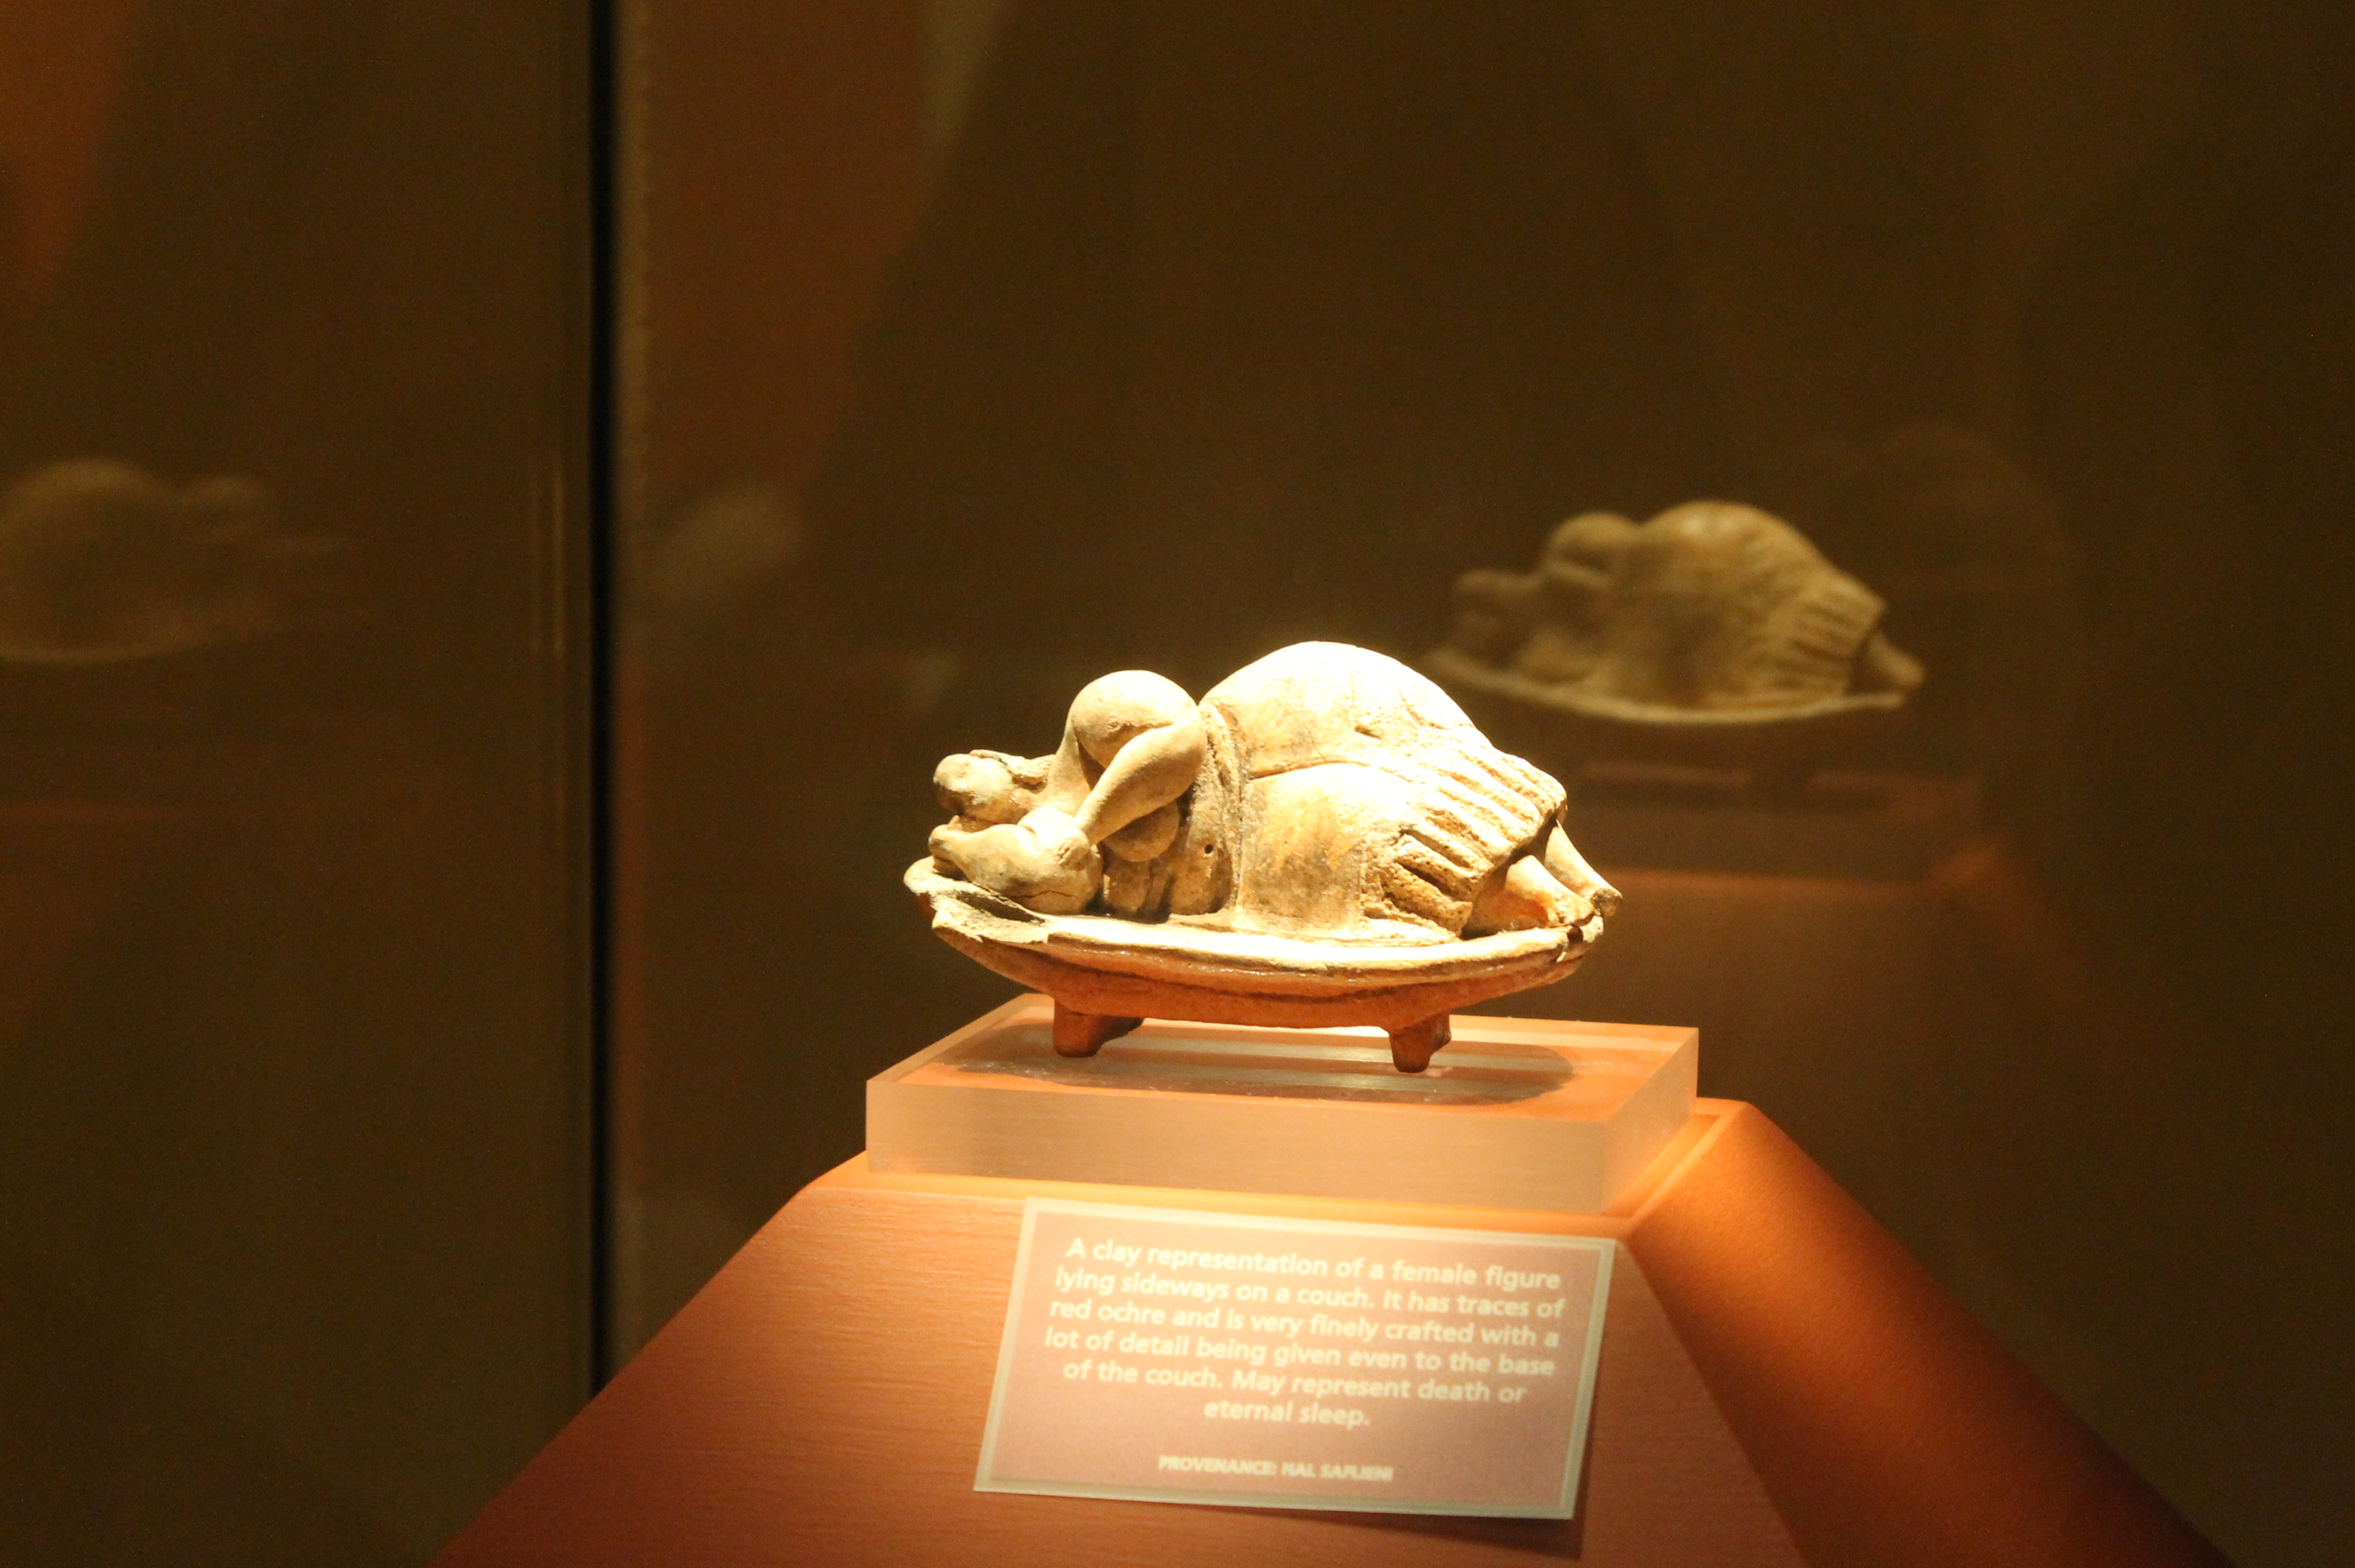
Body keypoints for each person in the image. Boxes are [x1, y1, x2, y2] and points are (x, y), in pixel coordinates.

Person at [929, 643, 1616, 942]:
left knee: (1400, 775)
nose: (967, 799)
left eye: (968, 784)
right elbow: (1046, 876)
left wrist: (1087, 825)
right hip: (1249, 857)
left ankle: (1559, 875)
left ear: (1002, 762)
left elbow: (1176, 738)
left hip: (1262, 725)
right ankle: (1540, 891)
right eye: (962, 808)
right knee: (1353, 821)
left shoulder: (1090, 726)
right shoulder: (1039, 831)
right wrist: (954, 849)